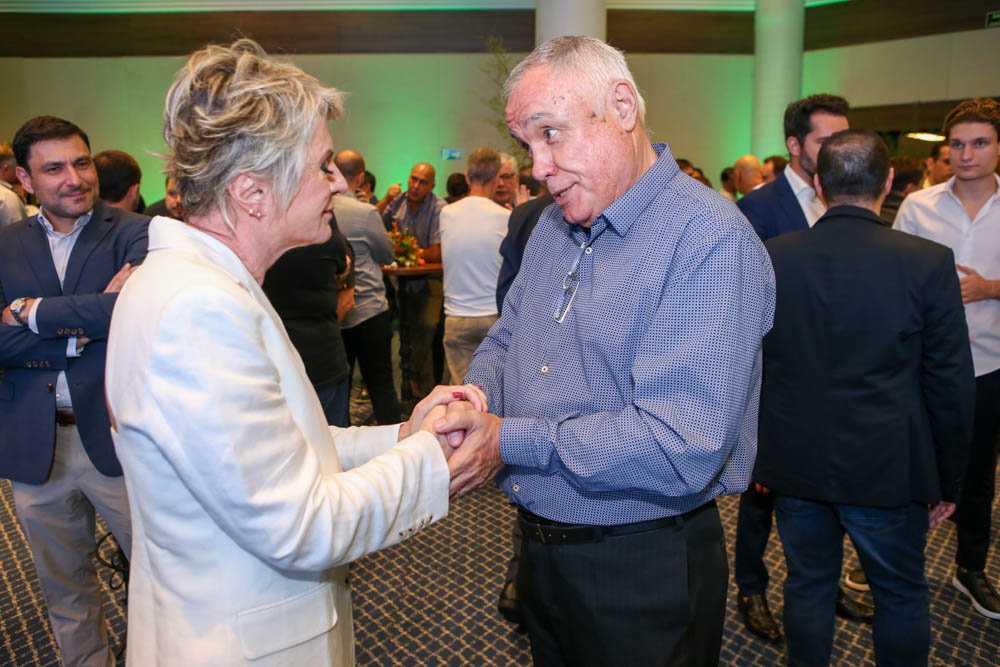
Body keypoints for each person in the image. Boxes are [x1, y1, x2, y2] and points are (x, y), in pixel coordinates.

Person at [104, 39, 484, 665]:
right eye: (322, 165)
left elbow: (284, 450)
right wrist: (436, 458)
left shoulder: (207, 286)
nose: (338, 182)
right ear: (252, 192)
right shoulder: (198, 308)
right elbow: (300, 524)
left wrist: (401, 435)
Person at [434, 36, 775, 665]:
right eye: (527, 145)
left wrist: (509, 439)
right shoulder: (554, 224)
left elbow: (682, 443)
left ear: (621, 107)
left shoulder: (709, 239)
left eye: (551, 134)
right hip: (540, 550)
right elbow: (509, 338)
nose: (537, 167)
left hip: (640, 565)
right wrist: (469, 399)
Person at [757, 129, 975, 665]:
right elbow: (949, 381)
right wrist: (949, 480)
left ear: (818, 184)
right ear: (889, 180)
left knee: (806, 584)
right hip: (888, 466)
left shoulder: (774, 257)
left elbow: (751, 365)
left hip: (797, 460)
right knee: (899, 594)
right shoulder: (927, 261)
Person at [0, 115, 148, 667]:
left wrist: (27, 312)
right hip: (37, 444)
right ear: (24, 178)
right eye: (54, 168)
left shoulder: (136, 232)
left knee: (162, 580)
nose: (74, 179)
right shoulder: (5, 245)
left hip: (120, 437)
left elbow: (135, 310)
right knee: (65, 589)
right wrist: (84, 329)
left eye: (81, 163)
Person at [731, 92, 875, 641]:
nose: (841, 147)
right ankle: (751, 587)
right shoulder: (758, 209)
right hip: (774, 379)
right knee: (760, 496)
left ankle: (821, 581)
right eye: (827, 138)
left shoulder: (851, 201)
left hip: (837, 381)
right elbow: (743, 304)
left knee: (827, 490)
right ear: (795, 145)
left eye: (845, 135)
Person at [894, 97, 1000, 620]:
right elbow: (894, 278)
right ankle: (893, 561)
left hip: (991, 365)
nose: (966, 154)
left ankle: (970, 567)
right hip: (926, 366)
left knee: (978, 475)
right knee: (912, 467)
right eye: (957, 144)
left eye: (979, 143)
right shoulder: (919, 206)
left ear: (998, 147)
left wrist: (990, 288)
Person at [333, 149, 401, 425]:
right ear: (361, 177)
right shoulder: (365, 212)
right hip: (369, 310)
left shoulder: (321, 208)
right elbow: (387, 255)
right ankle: (396, 443)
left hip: (335, 311)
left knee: (340, 389)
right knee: (381, 386)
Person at [440, 147, 509, 381]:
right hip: (493, 316)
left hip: (456, 316)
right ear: (497, 178)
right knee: (492, 390)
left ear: (467, 176)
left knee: (460, 391)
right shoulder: (505, 217)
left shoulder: (446, 213)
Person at [379, 162, 444, 401]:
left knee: (426, 327)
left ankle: (418, 381)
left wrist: (403, 250)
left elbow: (436, 253)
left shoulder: (439, 207)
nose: (415, 186)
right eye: (413, 179)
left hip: (431, 279)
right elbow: (371, 223)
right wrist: (386, 199)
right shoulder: (396, 202)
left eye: (422, 182)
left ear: (432, 186)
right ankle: (416, 386)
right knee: (406, 331)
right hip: (401, 281)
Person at [879, 155, 924, 224]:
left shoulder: (872, 210)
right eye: (921, 186)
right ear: (910, 188)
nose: (923, 189)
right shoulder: (912, 221)